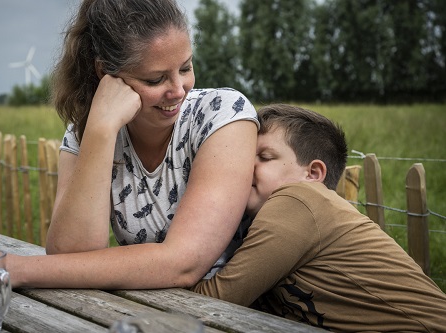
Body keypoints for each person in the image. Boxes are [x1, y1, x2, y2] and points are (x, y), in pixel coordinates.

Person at [1, 0, 258, 289]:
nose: (177, 91)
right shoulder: (88, 133)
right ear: (106, 73)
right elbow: (71, 253)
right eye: (155, 79)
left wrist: (19, 269)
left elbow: (184, 264)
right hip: (145, 312)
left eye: (185, 68)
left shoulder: (222, 114)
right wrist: (101, 128)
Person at [191, 104, 446, 332]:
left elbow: (212, 302)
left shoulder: (299, 199)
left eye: (265, 157)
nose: (246, 165)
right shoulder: (287, 220)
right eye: (246, 156)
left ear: (313, 174)